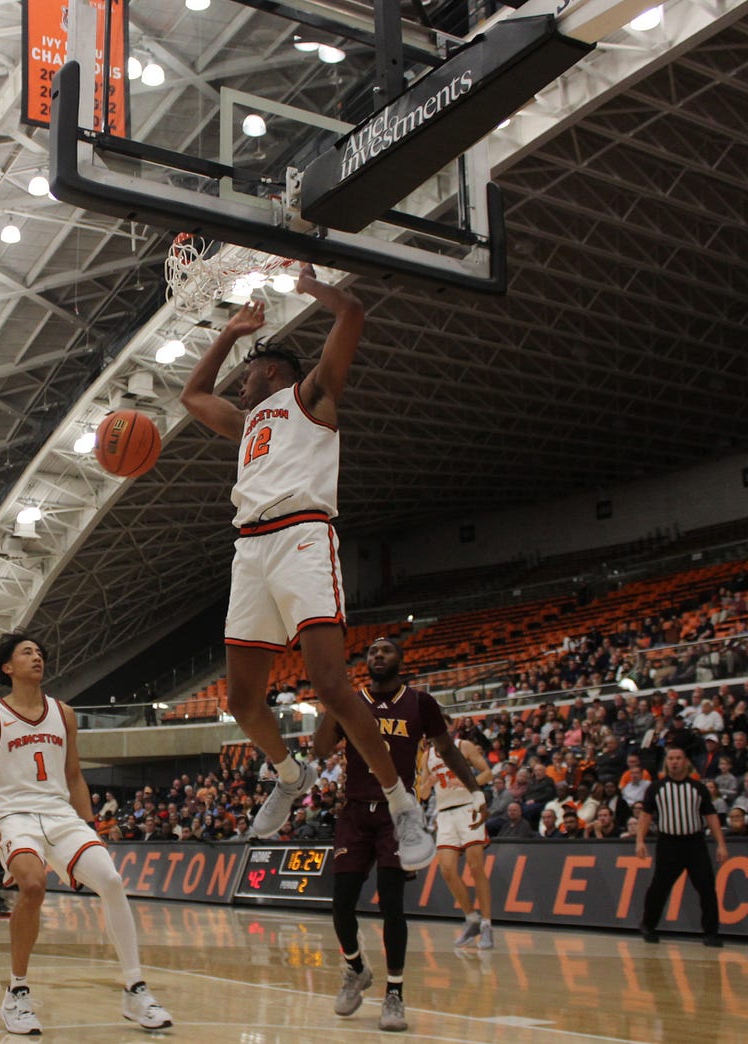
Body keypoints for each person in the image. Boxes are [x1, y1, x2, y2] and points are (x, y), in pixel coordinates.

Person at [180, 274, 432, 869]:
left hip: (301, 536)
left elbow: (353, 311)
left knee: (331, 685)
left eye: (247, 371)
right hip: (250, 548)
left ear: (270, 370)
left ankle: (402, 805)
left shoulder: (311, 396)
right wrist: (231, 333)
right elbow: (192, 396)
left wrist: (310, 286)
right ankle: (290, 776)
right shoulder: (246, 427)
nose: (239, 384)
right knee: (242, 700)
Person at [0, 632, 172, 1035]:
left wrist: (89, 825)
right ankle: (18, 993)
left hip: (61, 816)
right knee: (33, 885)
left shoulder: (64, 713)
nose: (37, 657)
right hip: (14, 817)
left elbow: (74, 775)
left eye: (40, 653)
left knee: (111, 881)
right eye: (27, 653)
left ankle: (135, 988)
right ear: (8, 667)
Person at [313, 637, 482, 1033]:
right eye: (372, 651)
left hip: (397, 813)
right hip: (354, 813)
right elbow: (320, 749)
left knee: (392, 905)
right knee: (340, 906)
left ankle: (395, 993)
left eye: (386, 650)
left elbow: (448, 749)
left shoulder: (420, 703)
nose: (377, 655)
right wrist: (331, 703)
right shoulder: (350, 700)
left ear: (400, 660)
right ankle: (356, 968)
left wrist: (475, 789)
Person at [636, 745, 729, 947]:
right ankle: (648, 926)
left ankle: (711, 933)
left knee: (706, 888)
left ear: (686, 761)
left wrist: (721, 844)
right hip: (668, 843)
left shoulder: (699, 788)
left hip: (694, 843)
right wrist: (640, 841)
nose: (675, 762)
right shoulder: (656, 788)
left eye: (678, 758)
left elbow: (711, 818)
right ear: (666, 762)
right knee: (659, 888)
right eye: (671, 759)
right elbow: (645, 816)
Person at [422, 724, 495, 949]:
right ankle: (471, 918)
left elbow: (488, 773)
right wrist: (428, 783)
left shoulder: (463, 746)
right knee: (446, 869)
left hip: (467, 808)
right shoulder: (426, 756)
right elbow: (423, 793)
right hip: (444, 814)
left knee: (475, 867)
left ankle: (486, 924)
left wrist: (465, 782)